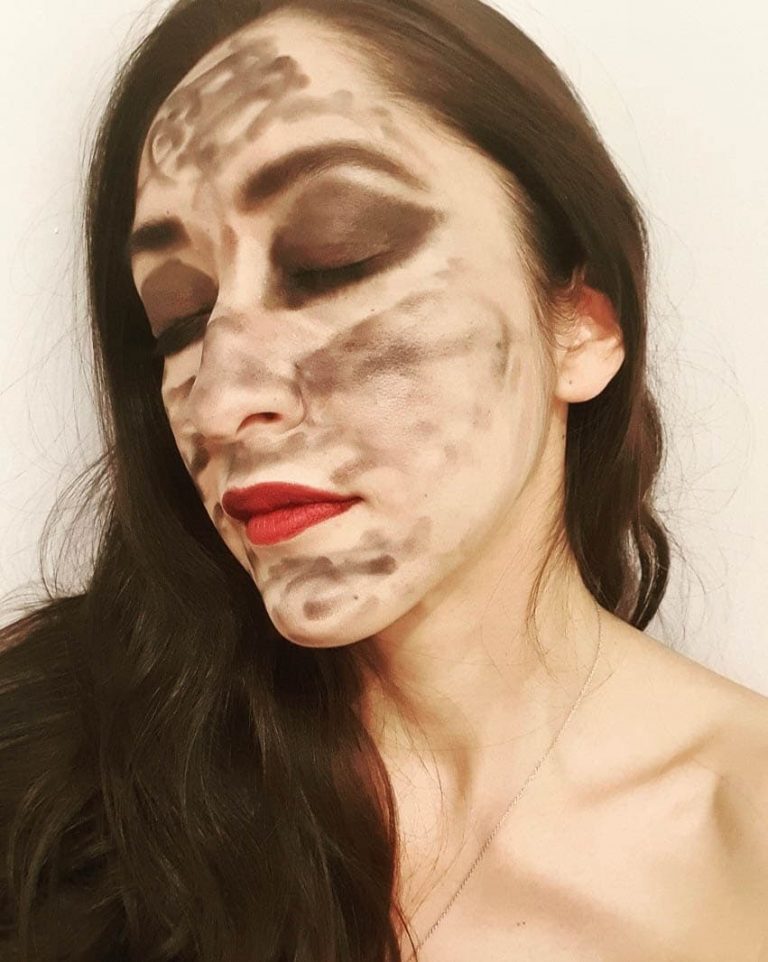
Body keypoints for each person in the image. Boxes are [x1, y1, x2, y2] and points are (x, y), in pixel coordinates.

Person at [1, 0, 767, 959]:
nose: (220, 400)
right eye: (180, 318)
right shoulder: (48, 748)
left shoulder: (745, 850)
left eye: (333, 261)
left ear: (581, 325)